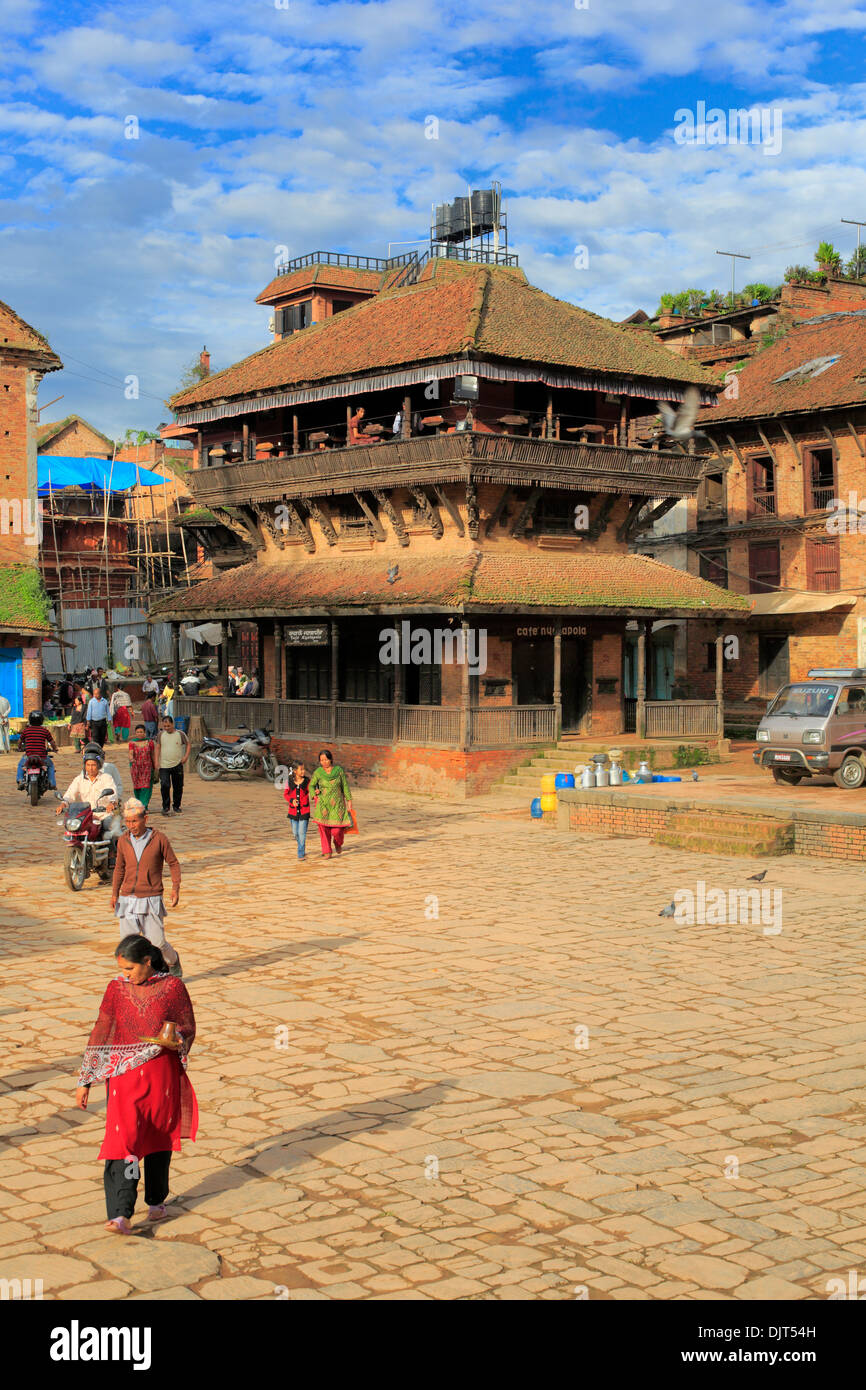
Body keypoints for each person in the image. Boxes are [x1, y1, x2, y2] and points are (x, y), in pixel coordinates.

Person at [75, 935, 197, 1234]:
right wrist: (86, 1078)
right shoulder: (116, 988)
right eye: (123, 969)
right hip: (123, 1076)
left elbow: (187, 1024)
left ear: (147, 961)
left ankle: (156, 1199)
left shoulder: (172, 987)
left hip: (160, 1072)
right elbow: (102, 1029)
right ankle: (121, 1212)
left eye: (130, 968)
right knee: (125, 1141)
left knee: (156, 1136)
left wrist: (176, 1037)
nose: (126, 974)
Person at [112, 797, 182, 977]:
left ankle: (173, 960)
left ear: (145, 819)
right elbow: (119, 868)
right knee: (129, 946)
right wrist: (114, 894)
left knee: (157, 944)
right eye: (128, 822)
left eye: (135, 821)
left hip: (151, 897)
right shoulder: (123, 841)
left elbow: (173, 863)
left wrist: (175, 888)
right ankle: (138, 978)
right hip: (128, 898)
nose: (131, 825)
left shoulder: (159, 839)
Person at [57, 748, 121, 846]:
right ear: (85, 766)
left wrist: (111, 803)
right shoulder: (79, 779)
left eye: (93, 765)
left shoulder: (106, 778)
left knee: (108, 829)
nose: (90, 768)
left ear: (99, 765)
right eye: (88, 765)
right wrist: (63, 803)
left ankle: (111, 852)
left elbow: (113, 792)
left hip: (103, 814)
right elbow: (70, 793)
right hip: (86, 815)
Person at [308, 749, 353, 858]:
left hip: (337, 805)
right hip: (323, 804)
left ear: (331, 759)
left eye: (326, 759)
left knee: (337, 830)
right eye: (321, 760)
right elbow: (311, 785)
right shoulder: (318, 772)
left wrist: (349, 800)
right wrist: (314, 794)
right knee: (323, 828)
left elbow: (345, 786)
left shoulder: (339, 771)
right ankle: (327, 851)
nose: (324, 762)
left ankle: (337, 843)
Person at [155, 715, 190, 816]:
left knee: (178, 786)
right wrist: (156, 761)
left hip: (177, 764)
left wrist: (186, 756)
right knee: (165, 785)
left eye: (168, 726)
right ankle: (165, 806)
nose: (166, 728)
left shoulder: (180, 734)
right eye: (165, 726)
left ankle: (176, 806)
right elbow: (157, 747)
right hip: (164, 765)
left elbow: (188, 744)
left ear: (172, 724)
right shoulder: (160, 735)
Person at [16, 710, 58, 789]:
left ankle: (20, 780)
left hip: (29, 756)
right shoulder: (44, 730)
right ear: (42, 720)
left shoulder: (26, 730)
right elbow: (52, 742)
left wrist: (19, 748)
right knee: (51, 766)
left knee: (20, 765)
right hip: (42, 757)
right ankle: (52, 783)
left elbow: (20, 741)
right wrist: (55, 749)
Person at [283, 760, 311, 861]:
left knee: (302, 833)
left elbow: (311, 791)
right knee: (295, 833)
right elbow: (285, 794)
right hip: (293, 812)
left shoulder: (308, 781)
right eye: (301, 769)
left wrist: (316, 794)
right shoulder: (289, 781)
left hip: (304, 811)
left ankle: (301, 853)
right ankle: (301, 846)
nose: (303, 771)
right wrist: (292, 800)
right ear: (295, 771)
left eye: (304, 769)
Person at [128, 724, 156, 809]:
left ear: (144, 733)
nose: (139, 734)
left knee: (147, 787)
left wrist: (155, 766)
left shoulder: (149, 742)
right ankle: (139, 804)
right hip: (136, 768)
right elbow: (130, 753)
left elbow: (152, 754)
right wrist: (131, 759)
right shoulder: (132, 743)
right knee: (137, 787)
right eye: (138, 732)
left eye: (141, 732)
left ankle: (144, 805)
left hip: (147, 767)